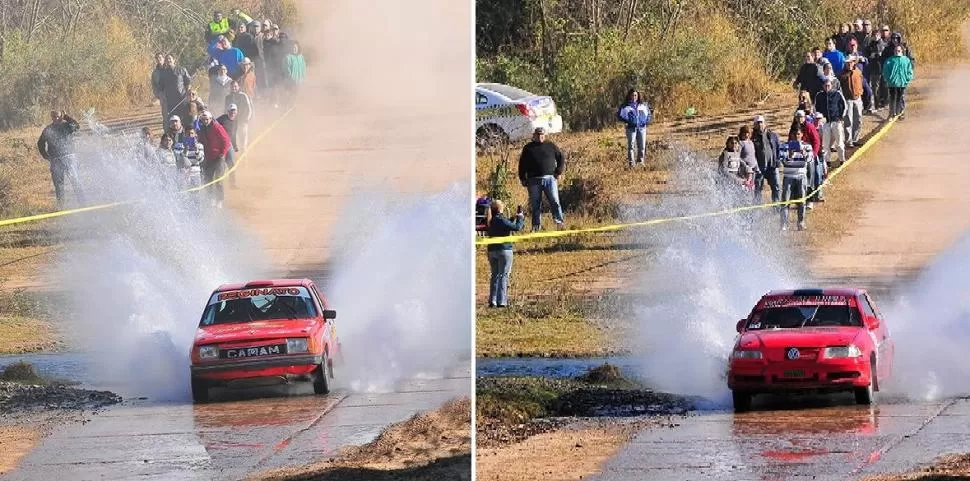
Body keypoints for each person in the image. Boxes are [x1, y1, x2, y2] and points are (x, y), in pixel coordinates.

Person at [518, 127, 565, 231]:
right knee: (535, 205)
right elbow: (522, 164)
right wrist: (522, 178)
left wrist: (558, 171)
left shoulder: (551, 145)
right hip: (533, 180)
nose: (540, 137)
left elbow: (561, 157)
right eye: (538, 135)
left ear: (544, 135)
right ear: (534, 135)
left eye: (542, 135)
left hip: (550, 179)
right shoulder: (528, 148)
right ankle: (536, 227)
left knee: (555, 201)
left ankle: (559, 223)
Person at [36, 110, 86, 209]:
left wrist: (67, 117)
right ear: (51, 117)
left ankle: (83, 204)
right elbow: (40, 143)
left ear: (61, 116)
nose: (56, 118)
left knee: (75, 181)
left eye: (58, 116)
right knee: (59, 185)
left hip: (69, 157)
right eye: (54, 116)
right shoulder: (48, 129)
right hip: (56, 160)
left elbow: (77, 126)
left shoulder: (67, 126)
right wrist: (46, 156)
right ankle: (61, 207)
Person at [486, 200, 525, 308]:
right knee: (503, 275)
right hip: (504, 250)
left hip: (491, 251)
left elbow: (504, 224)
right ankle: (502, 301)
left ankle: (493, 300)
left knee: (494, 275)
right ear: (500, 209)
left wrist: (512, 218)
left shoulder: (490, 220)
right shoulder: (501, 220)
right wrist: (520, 217)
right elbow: (517, 227)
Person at [778, 127, 813, 231]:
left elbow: (809, 160)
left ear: (801, 134)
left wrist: (803, 152)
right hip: (788, 176)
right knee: (785, 201)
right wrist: (789, 155)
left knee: (801, 201)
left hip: (801, 176)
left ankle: (801, 222)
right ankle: (784, 224)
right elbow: (782, 161)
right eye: (794, 134)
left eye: (798, 134)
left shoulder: (807, 146)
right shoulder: (784, 146)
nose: (796, 136)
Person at [196, 110, 231, 208]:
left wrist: (222, 154)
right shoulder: (201, 128)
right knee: (208, 179)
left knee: (218, 180)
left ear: (210, 119)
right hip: (208, 157)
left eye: (206, 119)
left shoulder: (217, 127)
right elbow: (200, 139)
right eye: (203, 119)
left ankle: (220, 200)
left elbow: (226, 141)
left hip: (218, 156)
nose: (205, 121)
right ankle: (210, 198)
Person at [814, 77, 848, 165]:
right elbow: (816, 109)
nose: (827, 87)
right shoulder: (819, 95)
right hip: (825, 123)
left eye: (828, 85)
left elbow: (844, 106)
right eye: (825, 86)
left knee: (839, 142)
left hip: (836, 121)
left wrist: (841, 117)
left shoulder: (837, 94)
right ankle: (827, 161)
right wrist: (820, 118)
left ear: (831, 85)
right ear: (823, 86)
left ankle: (842, 159)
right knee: (825, 143)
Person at [617, 88, 652, 167]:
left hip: (642, 128)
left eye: (635, 95)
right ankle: (631, 164)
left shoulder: (643, 105)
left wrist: (645, 122)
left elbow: (649, 115)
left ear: (638, 96)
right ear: (629, 96)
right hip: (631, 128)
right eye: (632, 95)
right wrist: (627, 121)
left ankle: (640, 162)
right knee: (631, 146)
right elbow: (619, 115)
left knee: (642, 146)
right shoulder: (625, 106)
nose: (634, 97)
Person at [751, 115, 781, 203]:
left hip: (772, 166)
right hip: (759, 167)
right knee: (757, 188)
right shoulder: (752, 138)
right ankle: (757, 207)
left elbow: (778, 148)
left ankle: (776, 206)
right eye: (757, 123)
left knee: (776, 187)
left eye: (761, 122)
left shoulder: (772, 135)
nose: (760, 124)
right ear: (755, 125)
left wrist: (777, 160)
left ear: (765, 123)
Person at [158, 54, 192, 127]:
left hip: (182, 98)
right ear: (165, 61)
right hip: (170, 100)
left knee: (185, 118)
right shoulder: (163, 73)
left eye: (170, 58)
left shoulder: (182, 69)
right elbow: (160, 88)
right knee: (174, 119)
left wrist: (188, 94)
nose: (168, 60)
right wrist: (162, 99)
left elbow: (188, 82)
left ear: (174, 60)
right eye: (166, 59)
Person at [883, 44, 915, 119]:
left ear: (902, 51)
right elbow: (885, 71)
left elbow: (910, 71)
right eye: (895, 50)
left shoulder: (906, 60)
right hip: (892, 83)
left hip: (902, 83)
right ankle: (892, 113)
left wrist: (907, 79)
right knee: (892, 98)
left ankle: (900, 113)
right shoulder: (890, 60)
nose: (897, 52)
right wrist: (888, 79)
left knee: (900, 98)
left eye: (898, 51)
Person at [839, 57, 864, 147]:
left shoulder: (858, 72)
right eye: (847, 63)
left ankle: (855, 139)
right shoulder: (842, 74)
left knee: (858, 119)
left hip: (857, 98)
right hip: (847, 100)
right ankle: (848, 141)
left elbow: (862, 82)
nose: (849, 64)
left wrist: (861, 92)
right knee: (848, 120)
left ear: (854, 62)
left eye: (851, 62)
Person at [225, 81, 254, 149]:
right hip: (232, 121)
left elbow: (249, 108)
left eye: (235, 86)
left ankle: (244, 152)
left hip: (242, 120)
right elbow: (225, 110)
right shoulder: (228, 97)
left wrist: (247, 118)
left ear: (238, 87)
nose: (234, 88)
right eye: (232, 87)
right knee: (232, 138)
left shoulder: (243, 96)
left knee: (243, 138)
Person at [216, 105, 240, 188]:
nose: (232, 113)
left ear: (236, 112)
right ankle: (219, 184)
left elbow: (233, 134)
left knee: (231, 164)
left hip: (229, 145)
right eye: (231, 111)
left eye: (234, 111)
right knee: (221, 165)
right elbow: (214, 126)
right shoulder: (222, 118)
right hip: (220, 145)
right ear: (228, 111)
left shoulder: (235, 121)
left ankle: (232, 183)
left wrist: (235, 145)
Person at [151, 53, 167, 125]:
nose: (158, 59)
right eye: (157, 58)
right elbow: (154, 84)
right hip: (162, 94)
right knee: (165, 112)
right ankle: (166, 128)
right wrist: (157, 94)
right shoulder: (155, 72)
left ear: (163, 58)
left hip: (172, 92)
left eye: (160, 57)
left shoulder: (169, 68)